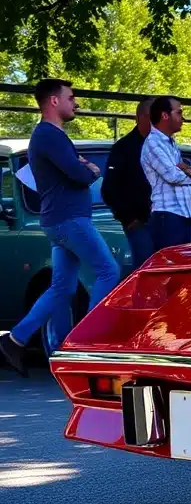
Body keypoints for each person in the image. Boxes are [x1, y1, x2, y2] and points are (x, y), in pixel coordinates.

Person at [0, 79, 121, 376]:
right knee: (109, 271)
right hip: (69, 219)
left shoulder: (47, 136)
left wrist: (83, 167)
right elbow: (79, 174)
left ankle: (15, 340)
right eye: (70, 97)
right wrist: (91, 170)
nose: (75, 103)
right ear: (54, 101)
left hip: (59, 220)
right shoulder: (49, 135)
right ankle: (87, 342)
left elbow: (74, 169)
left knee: (62, 288)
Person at [141, 95, 191, 253]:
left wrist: (186, 169)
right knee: (170, 265)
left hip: (182, 215)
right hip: (167, 216)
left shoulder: (170, 143)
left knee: (182, 264)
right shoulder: (153, 142)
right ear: (165, 115)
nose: (183, 118)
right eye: (178, 113)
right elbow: (173, 175)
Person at [102, 97, 156, 269]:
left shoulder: (164, 145)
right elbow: (109, 188)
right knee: (147, 268)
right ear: (141, 117)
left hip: (165, 219)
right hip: (139, 222)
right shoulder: (124, 147)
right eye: (153, 116)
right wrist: (128, 218)